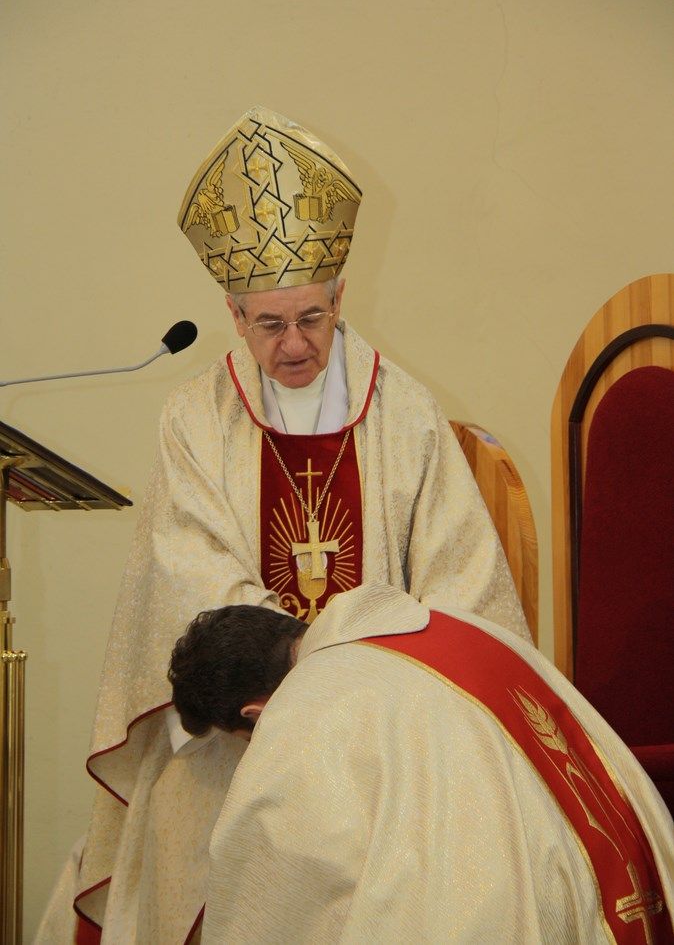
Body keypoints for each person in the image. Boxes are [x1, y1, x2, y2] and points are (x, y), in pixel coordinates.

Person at [37, 108, 530, 943]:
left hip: (382, 734)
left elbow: (462, 579)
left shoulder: (406, 413)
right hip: (239, 730)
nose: (294, 344)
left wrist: (369, 689)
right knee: (189, 843)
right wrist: (289, 679)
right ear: (234, 315)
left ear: (340, 297)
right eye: (270, 323)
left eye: (311, 317)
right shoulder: (195, 417)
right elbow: (192, 578)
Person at [169, 582, 674, 945]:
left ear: (255, 713)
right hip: (626, 874)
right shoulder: (459, 625)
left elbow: (272, 899)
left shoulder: (305, 707)